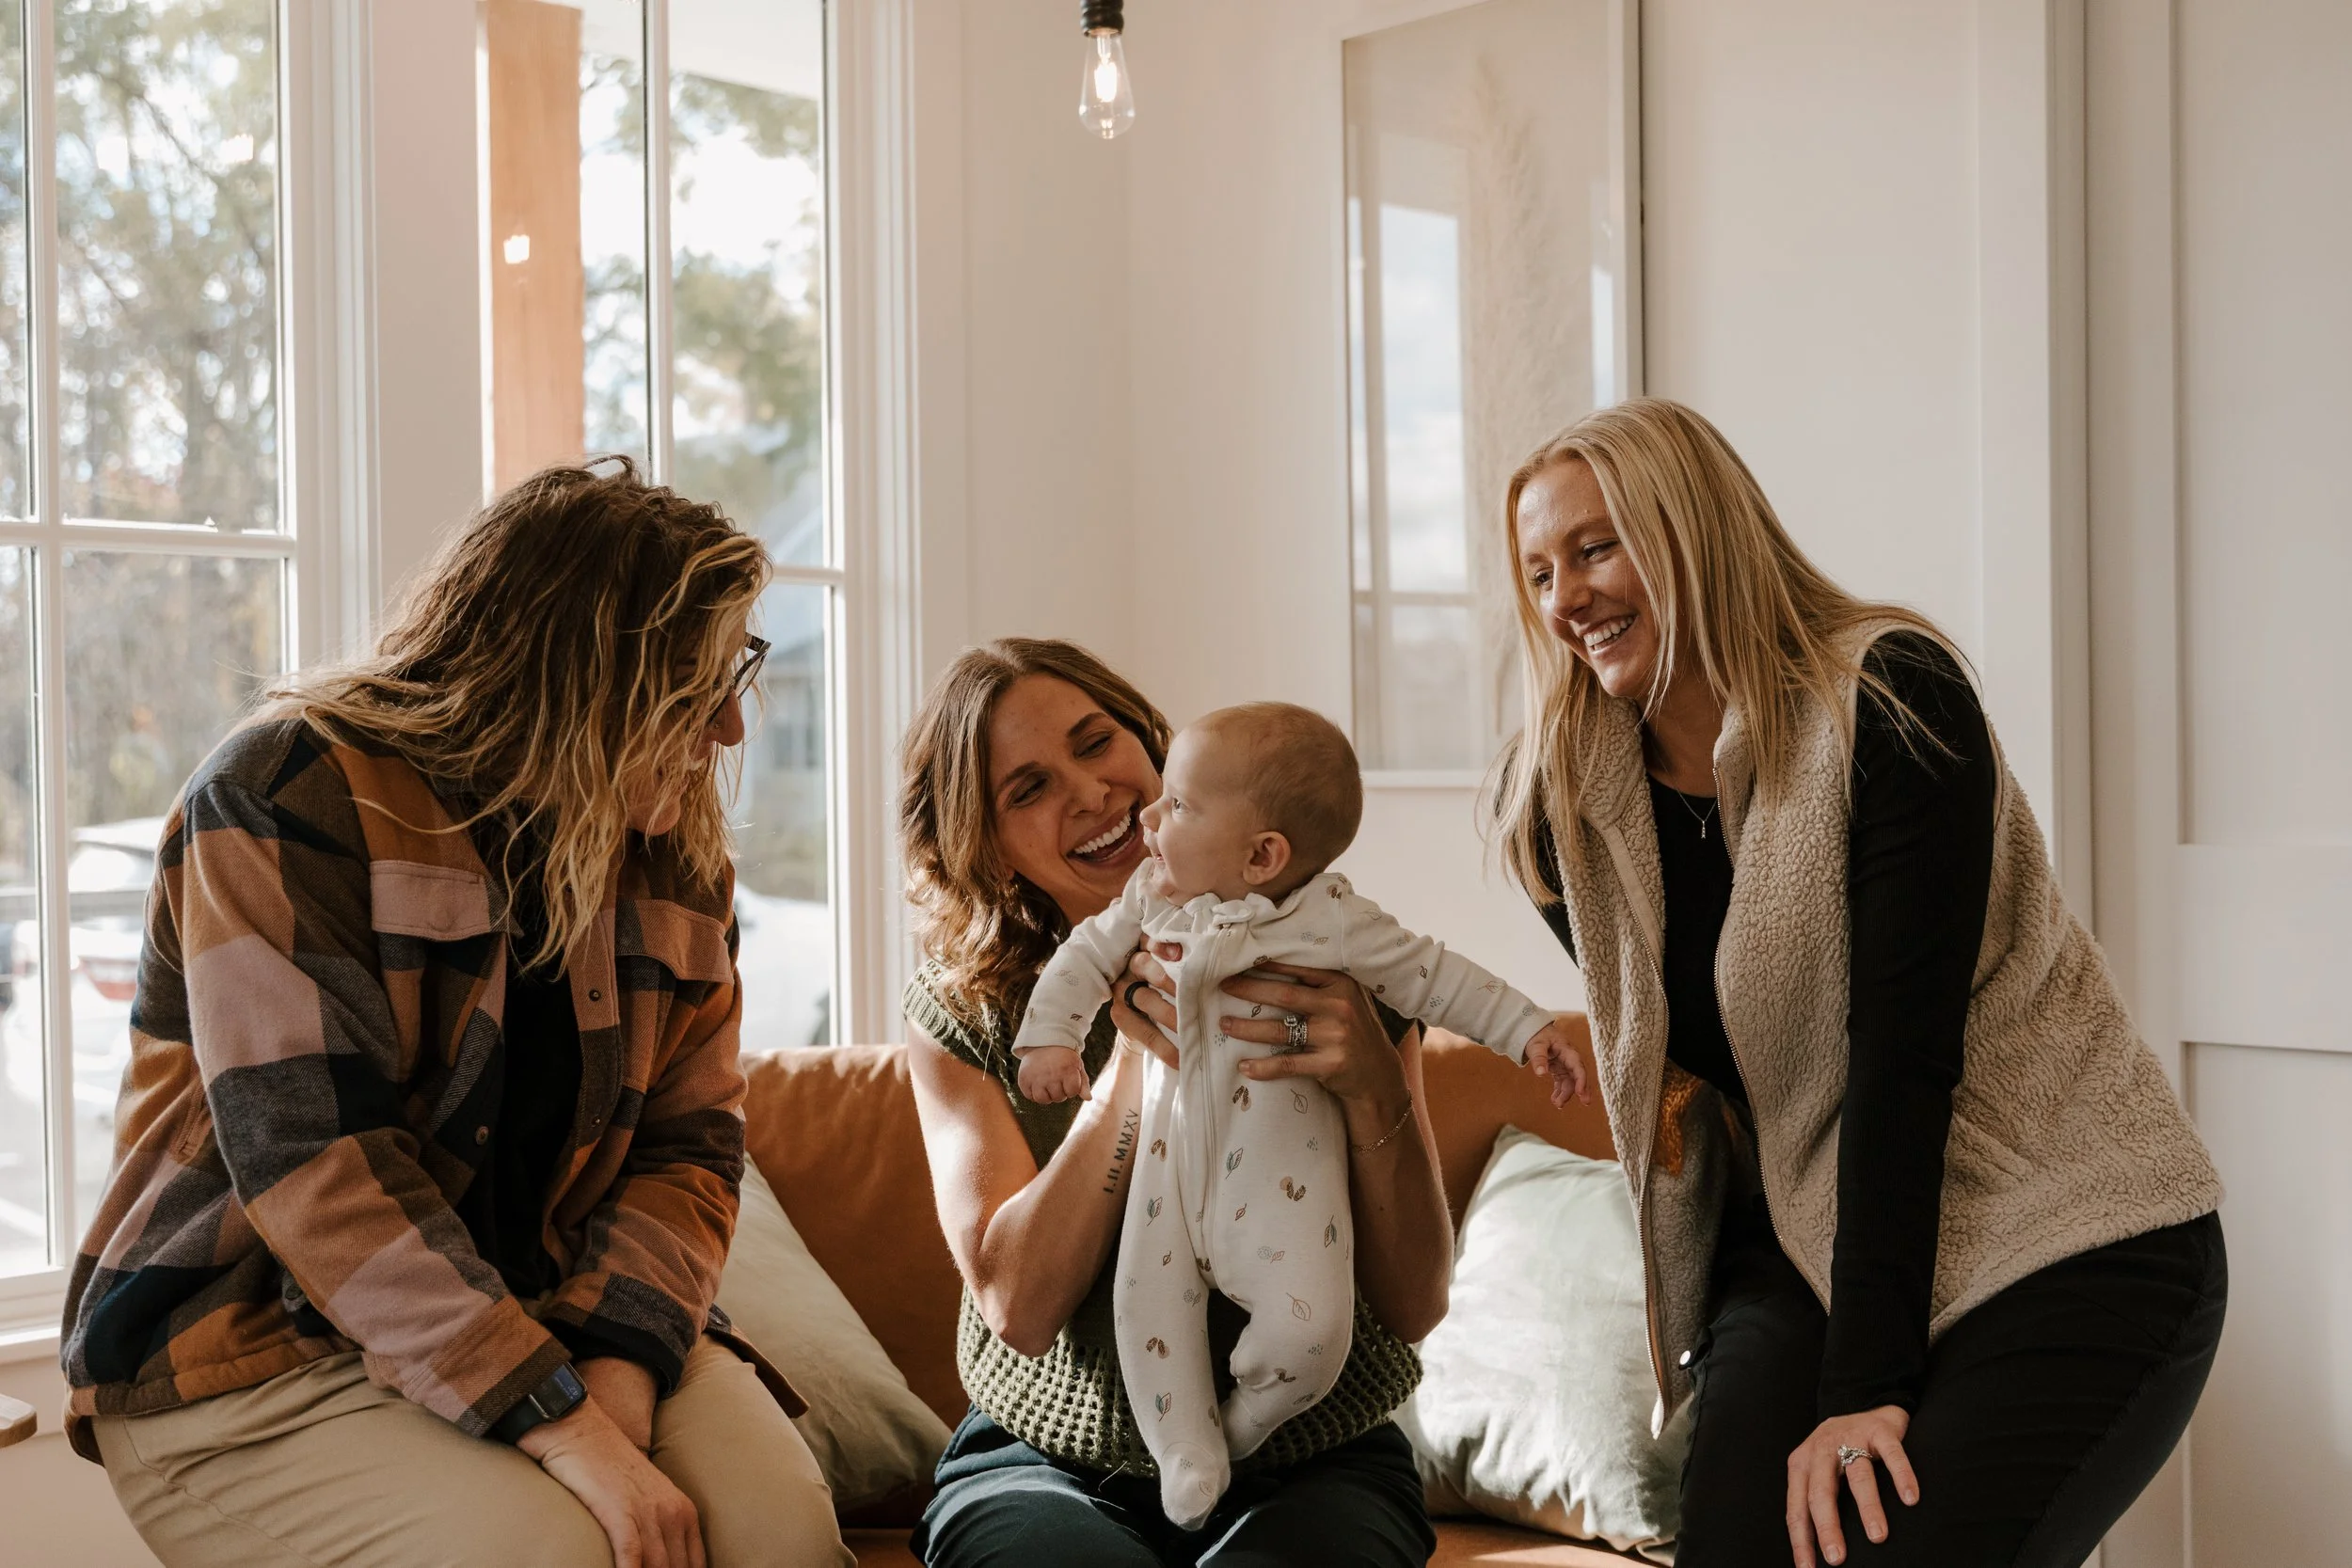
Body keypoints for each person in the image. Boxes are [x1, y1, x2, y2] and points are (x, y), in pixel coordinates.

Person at [59, 460, 853, 1568]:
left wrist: (617, 1368)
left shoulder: (672, 846)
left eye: (735, 672)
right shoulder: (283, 791)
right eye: (692, 683)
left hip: (548, 1303)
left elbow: (689, 1147)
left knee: (783, 1536)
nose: (727, 724)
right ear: (574, 669)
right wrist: (560, 1421)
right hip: (250, 1343)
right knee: (560, 1552)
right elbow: (318, 1166)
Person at [1492, 398, 2226, 1568]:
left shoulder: (1887, 695)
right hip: (1812, 1236)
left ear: (1693, 528)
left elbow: (1901, 1056)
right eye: (1538, 573)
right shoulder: (1563, 811)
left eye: (1595, 548)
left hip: (2059, 1217)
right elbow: (1721, 1076)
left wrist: (1865, 1388)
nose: (1564, 598)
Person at [898, 641, 1447, 1568]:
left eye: (1095, 742)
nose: (1090, 792)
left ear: (1153, 744)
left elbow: (1417, 1299)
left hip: (1315, 1457)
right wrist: (1132, 1068)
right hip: (1043, 1463)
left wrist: (1371, 1080)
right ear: (986, 847)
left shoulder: (1338, 955)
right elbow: (1018, 1307)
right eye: (1028, 789)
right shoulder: (963, 1011)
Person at [1010, 700, 1581, 1528]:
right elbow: (1080, 960)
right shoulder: (1149, 904)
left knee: (1314, 1334)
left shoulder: (1335, 924)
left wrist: (1529, 1030)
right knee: (1148, 1305)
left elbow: (1438, 975)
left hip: (1282, 1194)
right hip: (1167, 1178)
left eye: (1178, 804)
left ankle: (1242, 1424)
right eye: (1026, 787)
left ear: (1261, 854)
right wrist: (1051, 1040)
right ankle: (1188, 1451)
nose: (1147, 818)